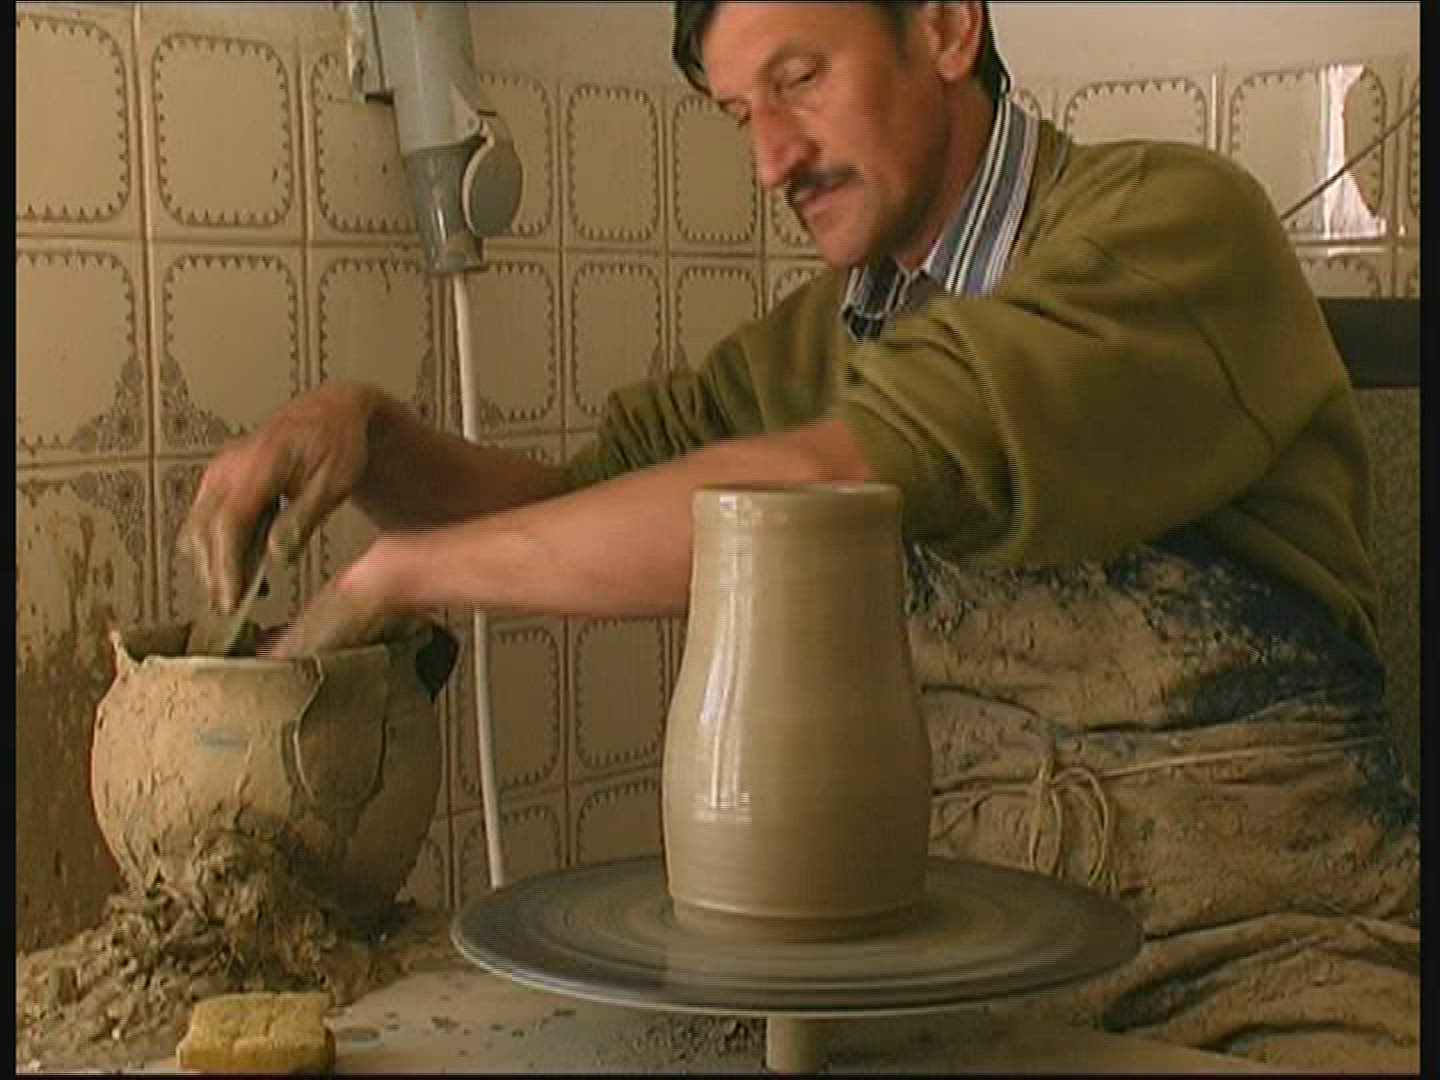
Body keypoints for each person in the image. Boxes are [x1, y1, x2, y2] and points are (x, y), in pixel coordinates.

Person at [182, 2, 1419, 1068]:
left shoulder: (1177, 226)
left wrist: (401, 577)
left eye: (801, 79)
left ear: (946, 25)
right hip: (928, 974)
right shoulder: (808, 344)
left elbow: (839, 479)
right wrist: (377, 442)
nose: (771, 158)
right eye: (739, 114)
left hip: (1260, 959)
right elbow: (586, 512)